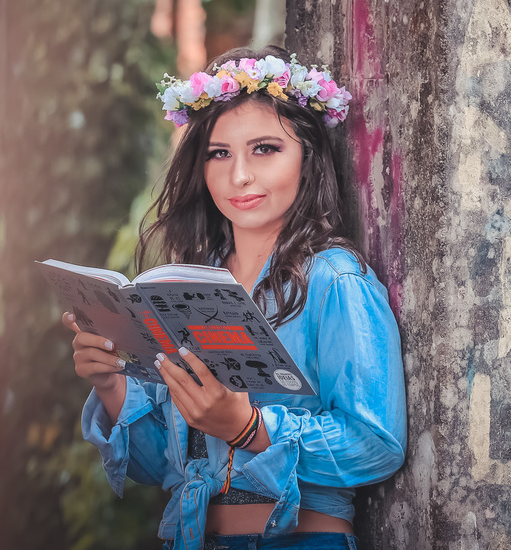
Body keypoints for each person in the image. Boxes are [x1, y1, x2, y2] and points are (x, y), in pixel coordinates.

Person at [62, 46, 406, 550]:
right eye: (219, 153)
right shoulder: (186, 289)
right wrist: (112, 384)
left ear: (308, 157)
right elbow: (161, 466)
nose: (238, 175)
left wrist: (250, 429)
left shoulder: (334, 279)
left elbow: (377, 444)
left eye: (264, 149)